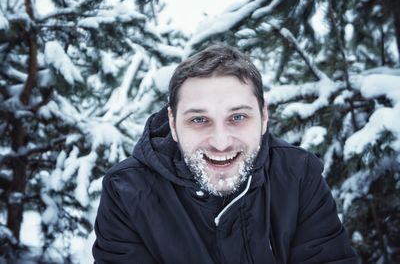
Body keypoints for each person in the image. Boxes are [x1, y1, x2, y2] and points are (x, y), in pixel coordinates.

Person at [92, 44, 358, 263]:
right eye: (198, 120)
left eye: (238, 117)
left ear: (264, 116)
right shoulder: (127, 192)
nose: (220, 143)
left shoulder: (298, 175)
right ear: (173, 124)